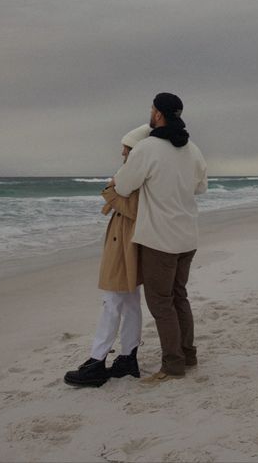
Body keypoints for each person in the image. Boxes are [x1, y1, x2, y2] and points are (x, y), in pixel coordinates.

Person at [111, 93, 207, 383]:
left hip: (160, 240)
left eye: (152, 111)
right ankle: (187, 355)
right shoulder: (192, 149)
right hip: (187, 236)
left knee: (161, 302)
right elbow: (201, 187)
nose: (150, 115)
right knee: (179, 297)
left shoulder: (147, 148)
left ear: (158, 116)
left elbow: (124, 187)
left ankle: (173, 365)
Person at [64, 124, 150, 388]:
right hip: (130, 242)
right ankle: (126, 358)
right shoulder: (139, 172)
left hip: (125, 243)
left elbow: (133, 207)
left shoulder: (134, 174)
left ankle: (97, 361)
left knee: (112, 303)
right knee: (129, 301)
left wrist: (110, 191)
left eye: (125, 147)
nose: (121, 151)